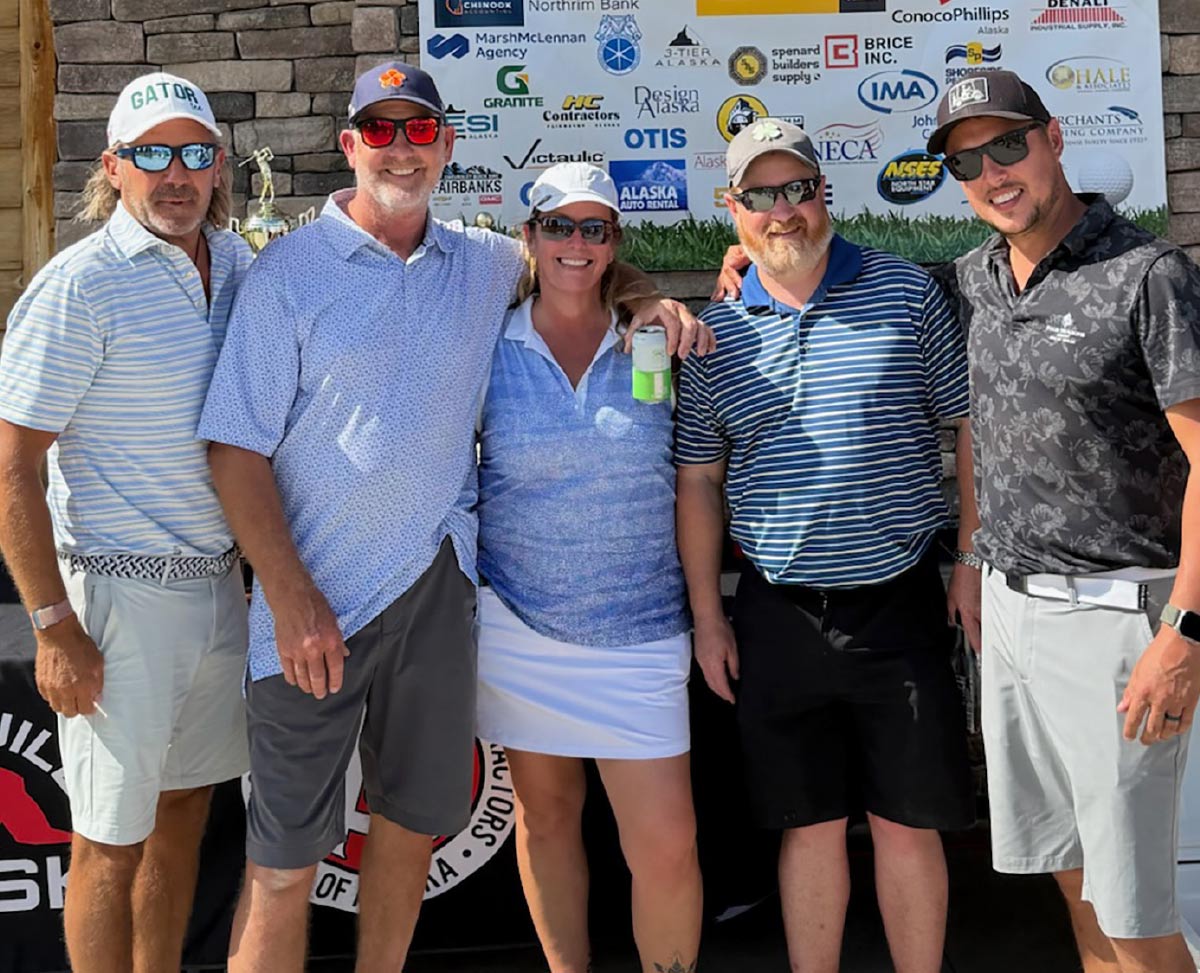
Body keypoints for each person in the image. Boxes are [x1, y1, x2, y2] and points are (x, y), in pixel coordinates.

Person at [196, 63, 708, 973]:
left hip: (435, 595)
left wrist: (650, 297)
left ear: (446, 147)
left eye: (419, 131)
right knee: (282, 865)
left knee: (407, 832)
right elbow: (235, 447)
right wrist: (288, 594)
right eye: (381, 131)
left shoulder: (481, 263)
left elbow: (579, 265)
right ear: (350, 145)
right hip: (310, 610)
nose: (401, 148)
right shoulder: (286, 273)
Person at [676, 117, 979, 973]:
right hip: (778, 612)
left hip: (902, 601)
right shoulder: (715, 331)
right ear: (731, 207)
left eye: (797, 189)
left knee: (906, 824)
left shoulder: (906, 292)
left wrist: (972, 559)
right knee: (806, 826)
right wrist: (709, 618)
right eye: (761, 195)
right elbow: (698, 479)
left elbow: (966, 428)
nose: (784, 213)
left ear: (823, 193)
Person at [930, 69, 1200, 973]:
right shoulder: (974, 277)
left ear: (1052, 138)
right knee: (1074, 880)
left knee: (1136, 908)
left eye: (1008, 144)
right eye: (968, 160)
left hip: (1122, 619)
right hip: (1010, 616)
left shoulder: (1149, 274)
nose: (993, 172)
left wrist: (1185, 632)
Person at [0, 73, 251, 973]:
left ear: (219, 166)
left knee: (183, 814)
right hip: (115, 599)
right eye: (152, 154)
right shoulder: (80, 285)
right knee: (107, 842)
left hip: (220, 591)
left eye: (193, 152)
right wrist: (53, 625)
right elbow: (12, 468)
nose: (175, 173)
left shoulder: (244, 271)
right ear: (115, 167)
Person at [474, 162, 702, 973]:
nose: (576, 242)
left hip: (642, 630)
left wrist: (649, 299)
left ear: (614, 244)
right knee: (546, 820)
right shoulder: (486, 345)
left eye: (594, 228)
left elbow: (699, 474)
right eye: (559, 226)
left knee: (668, 845)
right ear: (529, 237)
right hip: (520, 626)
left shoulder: (656, 335)